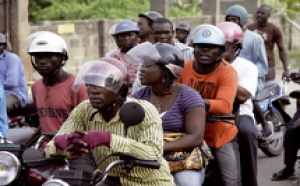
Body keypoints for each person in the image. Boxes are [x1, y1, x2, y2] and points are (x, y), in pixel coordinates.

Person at [46, 57, 176, 186]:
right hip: (108, 179)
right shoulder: (84, 109)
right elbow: (50, 148)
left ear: (121, 89)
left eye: (104, 83)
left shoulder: (145, 110)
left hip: (149, 182)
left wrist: (107, 139)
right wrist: (61, 143)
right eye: (90, 84)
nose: (94, 90)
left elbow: (153, 153)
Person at [129, 42, 206, 186]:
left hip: (181, 158)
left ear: (166, 71)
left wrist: (160, 146)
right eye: (142, 65)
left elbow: (196, 137)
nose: (141, 70)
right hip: (146, 157)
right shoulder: (138, 97)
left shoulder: (189, 96)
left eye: (147, 65)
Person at [178, 25, 241, 186]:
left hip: (219, 134)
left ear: (220, 53)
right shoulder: (185, 68)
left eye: (211, 48)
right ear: (193, 49)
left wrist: (194, 103)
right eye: (200, 47)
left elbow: (225, 105)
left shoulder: (228, 72)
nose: (204, 51)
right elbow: (174, 94)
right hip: (190, 133)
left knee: (231, 180)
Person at [218, 22, 258, 186]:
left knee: (246, 132)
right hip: (211, 112)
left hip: (240, 113)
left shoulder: (247, 67)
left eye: (222, 46)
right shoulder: (202, 65)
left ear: (235, 47)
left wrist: (221, 70)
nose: (216, 50)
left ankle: (250, 181)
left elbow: (242, 97)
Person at [24, 31, 88, 133]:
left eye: (49, 56)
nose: (42, 61)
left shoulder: (78, 87)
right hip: (46, 147)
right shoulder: (36, 87)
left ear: (63, 58)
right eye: (38, 56)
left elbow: (87, 125)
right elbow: (45, 123)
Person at [225, 5, 271, 137]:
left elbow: (261, 63)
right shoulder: (225, 36)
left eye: (235, 20)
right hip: (229, 75)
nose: (232, 23)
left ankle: (264, 124)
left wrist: (254, 77)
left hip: (250, 77)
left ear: (243, 20)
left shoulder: (254, 38)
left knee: (249, 99)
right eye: (229, 20)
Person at [248, 4, 290, 81]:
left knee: (267, 90)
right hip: (252, 65)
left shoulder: (274, 29)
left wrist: (286, 68)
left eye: (263, 13)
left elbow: (281, 49)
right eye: (258, 13)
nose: (259, 15)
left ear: (269, 15)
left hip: (268, 66)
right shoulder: (250, 28)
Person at [106, 20, 140, 94]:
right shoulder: (111, 56)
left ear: (137, 36)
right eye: (122, 36)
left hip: (140, 95)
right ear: (117, 38)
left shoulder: (144, 53)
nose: (126, 38)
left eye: (130, 35)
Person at [0, 33, 28, 116]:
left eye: (0, 45)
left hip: (13, 94)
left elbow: (12, 82)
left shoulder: (12, 59)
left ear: (4, 46)